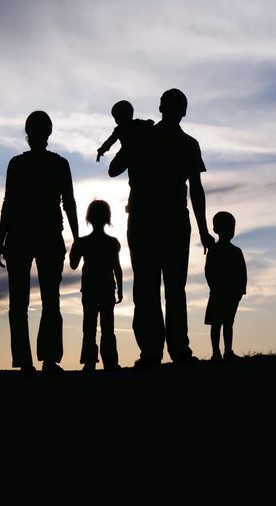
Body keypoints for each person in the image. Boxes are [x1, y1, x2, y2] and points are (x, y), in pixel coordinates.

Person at [109, 88, 215, 367]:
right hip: (160, 219)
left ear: (160, 108)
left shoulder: (166, 140)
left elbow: (196, 189)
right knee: (165, 288)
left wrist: (203, 230)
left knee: (154, 287)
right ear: (182, 110)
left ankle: (160, 351)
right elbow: (197, 190)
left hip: (157, 219)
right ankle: (168, 351)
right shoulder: (176, 141)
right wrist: (128, 138)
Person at [0, 111, 79, 373]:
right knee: (48, 300)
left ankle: (28, 360)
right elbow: (69, 203)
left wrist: (0, 240)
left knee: (22, 303)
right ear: (49, 132)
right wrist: (77, 238)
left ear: (28, 133)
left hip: (26, 235)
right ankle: (47, 359)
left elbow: (9, 204)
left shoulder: (19, 164)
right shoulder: (57, 164)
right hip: (42, 235)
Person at [69, 200, 124, 372]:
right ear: (107, 218)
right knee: (108, 326)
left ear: (88, 219)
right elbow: (117, 267)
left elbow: (73, 265)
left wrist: (75, 248)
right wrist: (120, 289)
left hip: (90, 288)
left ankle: (89, 360)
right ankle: (110, 360)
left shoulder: (84, 242)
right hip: (107, 287)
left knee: (89, 325)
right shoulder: (112, 242)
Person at [205, 212, 247, 361]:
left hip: (231, 294)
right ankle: (216, 352)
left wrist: (241, 290)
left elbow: (242, 273)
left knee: (228, 323)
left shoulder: (236, 251)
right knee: (217, 324)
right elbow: (209, 272)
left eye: (231, 227)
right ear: (216, 229)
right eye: (227, 227)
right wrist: (214, 287)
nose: (230, 230)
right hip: (218, 293)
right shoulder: (214, 251)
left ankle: (227, 350)